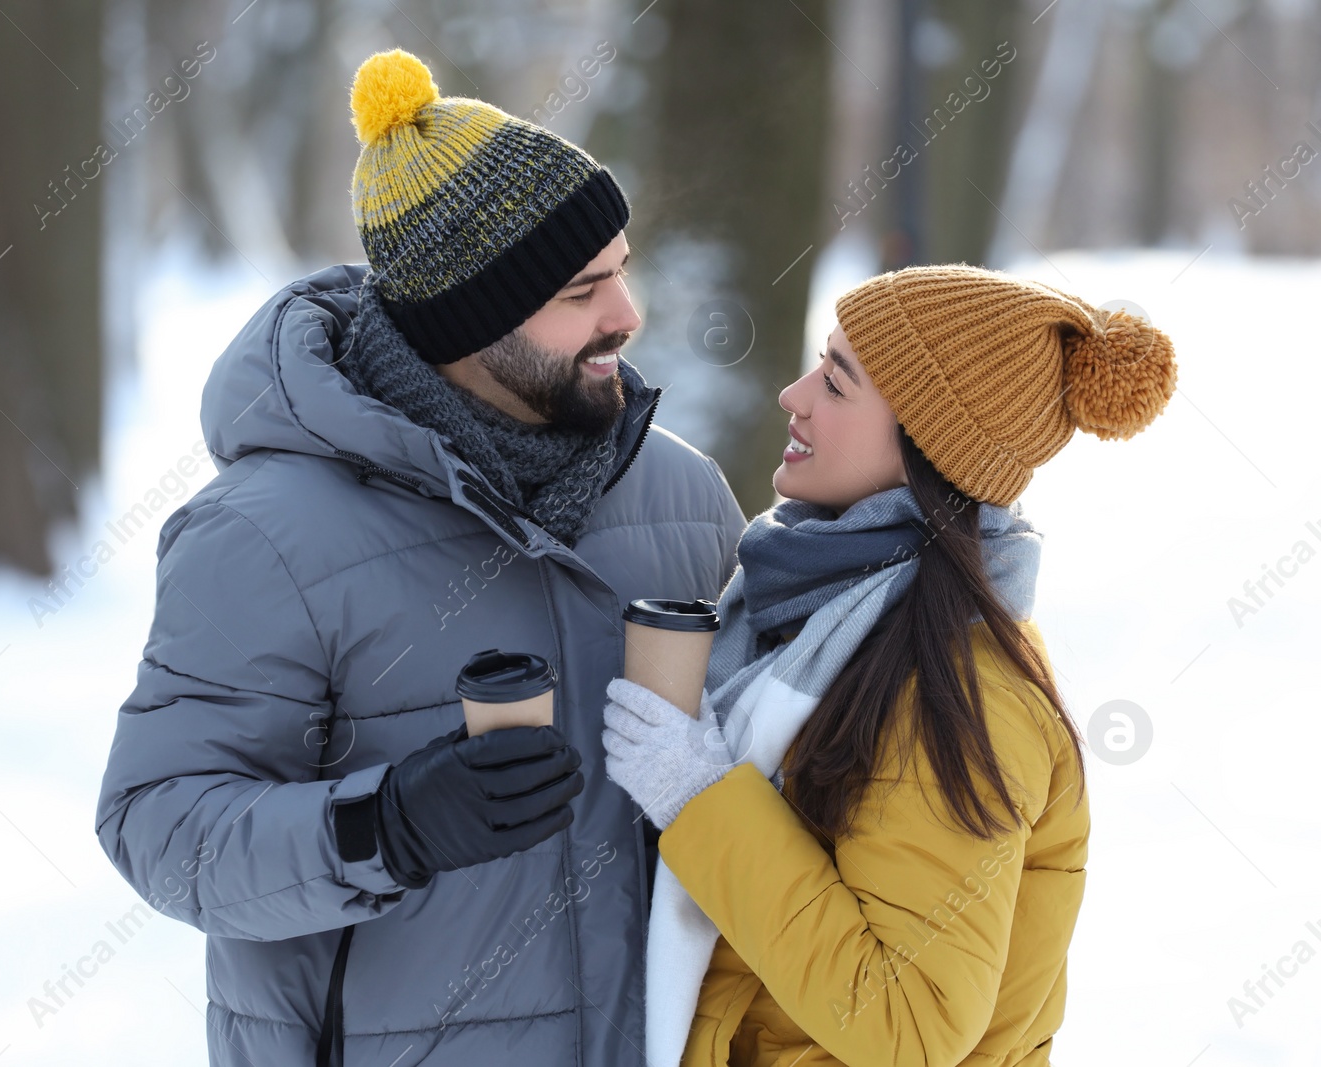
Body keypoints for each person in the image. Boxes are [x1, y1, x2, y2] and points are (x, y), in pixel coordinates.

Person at [95, 48, 747, 1067]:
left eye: (622, 271)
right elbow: (160, 825)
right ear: (467, 322)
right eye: (583, 290)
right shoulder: (266, 534)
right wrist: (382, 825)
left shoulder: (681, 495)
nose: (628, 315)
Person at [602, 265, 1178, 1066]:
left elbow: (908, 1022)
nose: (794, 395)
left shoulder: (959, 685)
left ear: (928, 446)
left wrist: (699, 796)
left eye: (836, 384)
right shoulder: (820, 600)